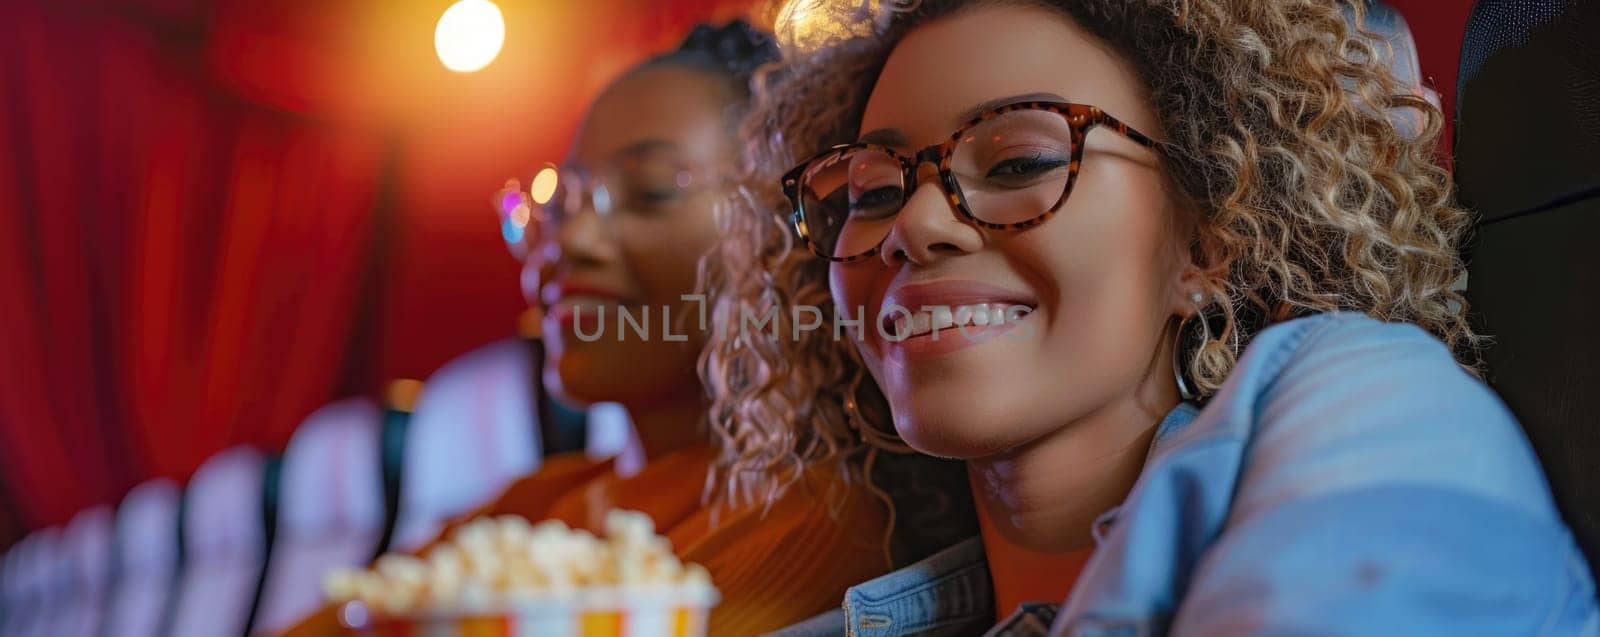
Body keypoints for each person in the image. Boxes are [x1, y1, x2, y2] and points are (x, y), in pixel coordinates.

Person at [704, 1, 1600, 634]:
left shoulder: (1362, 386)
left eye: (1017, 162)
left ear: (1211, 234)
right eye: (870, 187)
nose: (914, 224)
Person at [281, 20, 891, 637]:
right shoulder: (534, 507)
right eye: (561, 205)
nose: (568, 240)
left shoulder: (816, 521)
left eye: (651, 191)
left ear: (785, 232)